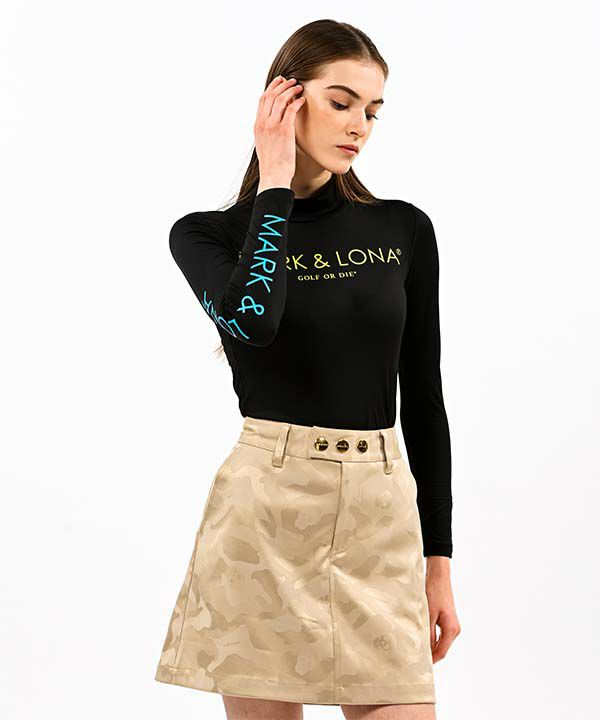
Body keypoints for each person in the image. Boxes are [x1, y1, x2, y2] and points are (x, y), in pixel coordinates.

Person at [155, 19, 461, 720]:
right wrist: (275, 183)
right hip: (265, 514)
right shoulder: (206, 234)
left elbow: (424, 396)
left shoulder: (402, 229)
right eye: (341, 102)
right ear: (283, 100)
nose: (359, 126)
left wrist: (438, 562)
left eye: (373, 111)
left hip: (379, 514)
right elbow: (254, 321)